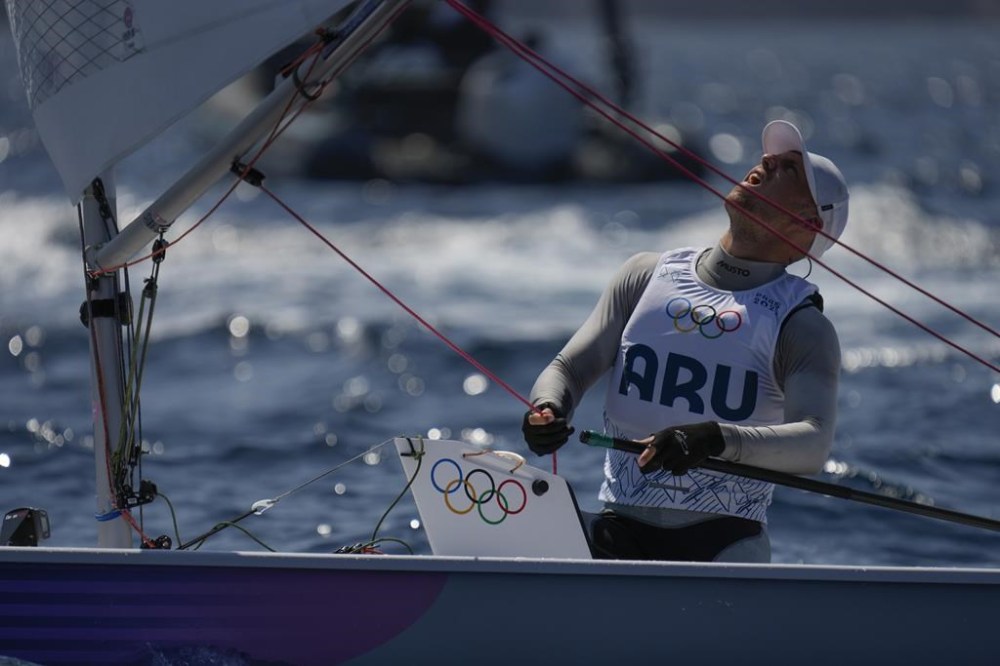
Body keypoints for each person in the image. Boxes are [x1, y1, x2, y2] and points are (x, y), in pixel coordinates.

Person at [522, 120, 849, 563]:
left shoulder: (802, 325)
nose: (765, 162)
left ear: (807, 223)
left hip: (723, 545)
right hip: (617, 529)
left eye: (788, 170)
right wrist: (549, 407)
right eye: (768, 157)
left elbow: (813, 443)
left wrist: (715, 439)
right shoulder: (644, 275)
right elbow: (569, 369)